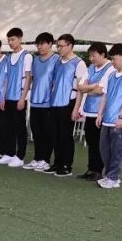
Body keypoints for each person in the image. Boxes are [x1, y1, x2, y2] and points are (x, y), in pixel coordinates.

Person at [94, 43, 122, 189]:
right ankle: (109, 175)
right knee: (104, 149)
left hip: (121, 121)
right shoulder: (111, 75)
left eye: (114, 59)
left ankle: (113, 178)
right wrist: (99, 114)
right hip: (107, 119)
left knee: (117, 150)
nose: (112, 62)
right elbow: (105, 95)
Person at [47, 34, 88, 177]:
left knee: (65, 135)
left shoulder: (79, 63)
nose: (58, 48)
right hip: (55, 102)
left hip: (69, 102)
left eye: (61, 46)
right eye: (57, 46)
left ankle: (66, 165)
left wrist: (76, 108)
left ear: (70, 46)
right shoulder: (58, 61)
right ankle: (57, 163)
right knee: (55, 134)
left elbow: (81, 88)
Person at [73, 43, 114, 181]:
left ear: (102, 54)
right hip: (89, 111)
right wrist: (92, 86)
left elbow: (100, 90)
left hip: (101, 113)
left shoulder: (110, 68)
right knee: (91, 141)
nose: (91, 59)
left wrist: (88, 88)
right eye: (89, 56)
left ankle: (98, 170)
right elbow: (80, 86)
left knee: (99, 143)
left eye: (93, 56)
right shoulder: (91, 67)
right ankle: (91, 169)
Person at [0, 27, 32, 168]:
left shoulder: (27, 56)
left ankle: (20, 156)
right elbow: (6, 79)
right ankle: (9, 154)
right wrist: (2, 98)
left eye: (13, 39)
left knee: (20, 128)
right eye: (9, 40)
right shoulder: (9, 57)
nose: (10, 42)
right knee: (8, 127)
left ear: (20, 39)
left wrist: (23, 98)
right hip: (8, 97)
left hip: (19, 98)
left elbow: (28, 79)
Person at [26, 32, 58, 171]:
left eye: (42, 44)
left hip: (49, 103)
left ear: (50, 44)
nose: (39, 47)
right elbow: (32, 79)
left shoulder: (56, 59)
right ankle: (37, 158)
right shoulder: (35, 60)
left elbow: (57, 81)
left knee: (47, 133)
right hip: (35, 101)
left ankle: (45, 160)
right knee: (36, 132)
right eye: (37, 44)